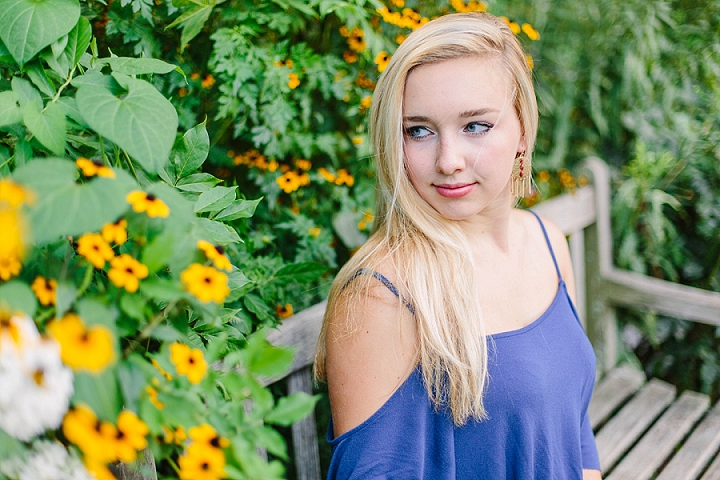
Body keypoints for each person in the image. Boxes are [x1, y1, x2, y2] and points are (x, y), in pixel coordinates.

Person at [314, 11, 602, 480]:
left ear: (522, 131)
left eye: (475, 126)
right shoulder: (382, 295)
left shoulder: (546, 242)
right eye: (419, 131)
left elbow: (571, 428)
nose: (448, 161)